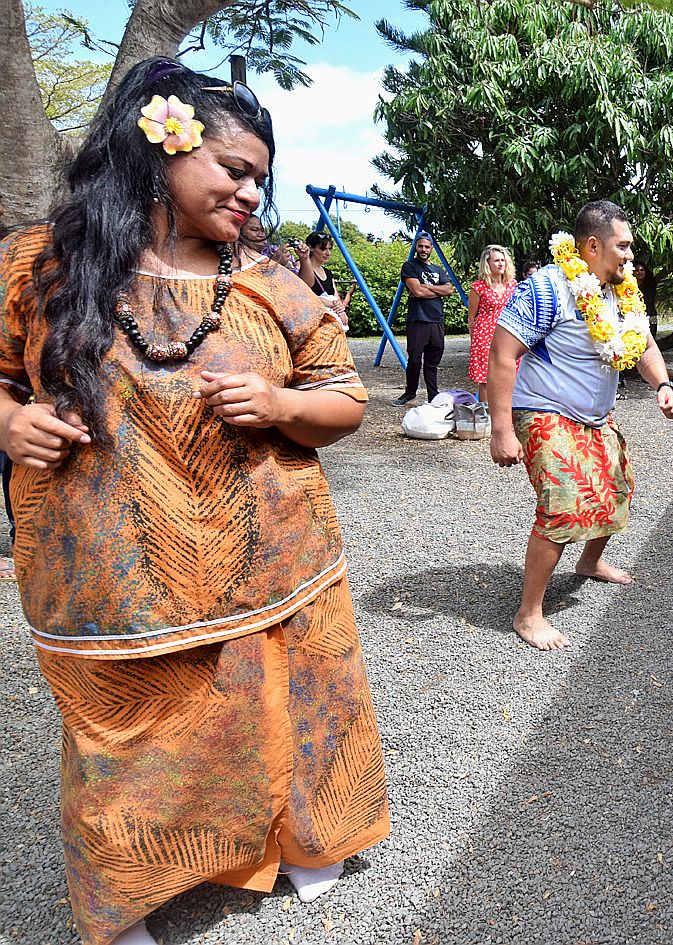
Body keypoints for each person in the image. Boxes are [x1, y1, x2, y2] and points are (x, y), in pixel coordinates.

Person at [0, 57, 389, 945]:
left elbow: (345, 398)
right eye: (233, 168)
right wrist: (12, 421)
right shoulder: (39, 263)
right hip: (107, 573)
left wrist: (286, 405)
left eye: (261, 176)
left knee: (283, 704)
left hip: (271, 561)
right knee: (121, 737)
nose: (252, 192)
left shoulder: (269, 280)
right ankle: (126, 895)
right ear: (157, 151)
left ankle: (302, 841)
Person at [488, 200, 673, 651]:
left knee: (618, 488)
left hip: (595, 417)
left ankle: (588, 564)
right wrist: (501, 429)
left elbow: (643, 342)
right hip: (544, 411)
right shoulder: (547, 288)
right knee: (564, 502)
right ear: (592, 245)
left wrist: (663, 384)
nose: (630, 255)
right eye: (623, 246)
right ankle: (528, 614)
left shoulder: (622, 291)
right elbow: (502, 354)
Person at [395, 234, 454, 405]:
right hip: (418, 320)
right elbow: (417, 292)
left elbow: (449, 290)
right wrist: (436, 290)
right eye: (420, 246)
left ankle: (433, 396)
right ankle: (410, 392)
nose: (423, 250)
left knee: (432, 361)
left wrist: (426, 286)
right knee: (414, 360)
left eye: (427, 247)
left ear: (431, 249)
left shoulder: (438, 270)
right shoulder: (409, 266)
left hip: (436, 320)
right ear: (416, 247)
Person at [466, 244, 518, 404]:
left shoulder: (513, 285)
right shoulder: (478, 287)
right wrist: (475, 340)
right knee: (485, 377)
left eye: (503, 260)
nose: (501, 263)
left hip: (509, 335)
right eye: (496, 260)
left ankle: (509, 414)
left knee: (511, 374)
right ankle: (485, 415)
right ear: (487, 263)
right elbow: (471, 317)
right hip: (484, 336)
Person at [294, 231, 351, 330]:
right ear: (311, 247)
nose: (328, 253)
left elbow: (335, 297)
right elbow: (301, 294)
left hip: (330, 323)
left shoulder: (328, 272)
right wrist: (331, 304)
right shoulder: (299, 266)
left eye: (330, 249)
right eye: (323, 249)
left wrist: (340, 309)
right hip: (311, 322)